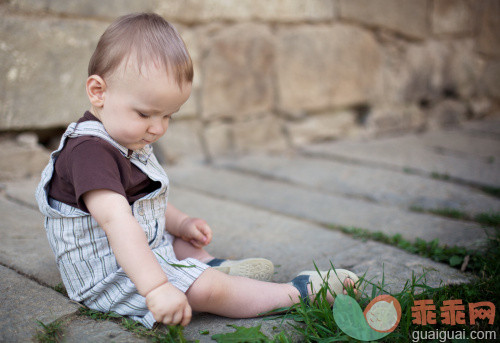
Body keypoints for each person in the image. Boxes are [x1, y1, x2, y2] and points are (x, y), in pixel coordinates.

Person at [36, 12, 359, 328]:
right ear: (98, 91)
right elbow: (117, 222)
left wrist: (180, 222)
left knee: (182, 242)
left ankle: (209, 265)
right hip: (109, 273)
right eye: (146, 113)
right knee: (207, 290)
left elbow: (140, 198)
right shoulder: (89, 153)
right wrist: (157, 288)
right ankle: (295, 293)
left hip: (138, 249)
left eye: (168, 116)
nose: (157, 128)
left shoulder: (124, 134)